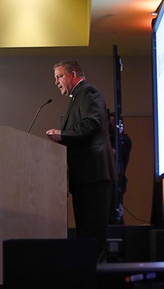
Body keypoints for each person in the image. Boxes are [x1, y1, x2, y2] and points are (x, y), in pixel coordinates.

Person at [45, 59, 117, 262]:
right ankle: (91, 279)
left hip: (93, 174)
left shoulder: (87, 92)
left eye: (59, 76)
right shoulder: (77, 97)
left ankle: (97, 283)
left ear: (73, 74)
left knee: (93, 233)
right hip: (86, 176)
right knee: (86, 232)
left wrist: (62, 134)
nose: (57, 82)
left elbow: (92, 124)